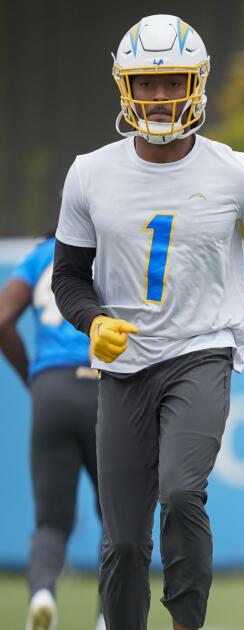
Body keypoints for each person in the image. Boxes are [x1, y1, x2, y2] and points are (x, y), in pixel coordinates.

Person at [50, 15, 244, 630]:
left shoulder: (238, 172)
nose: (157, 96)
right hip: (123, 364)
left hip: (201, 351)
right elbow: (67, 275)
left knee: (181, 493)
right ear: (125, 87)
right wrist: (92, 321)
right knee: (123, 540)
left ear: (197, 82)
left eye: (170, 80)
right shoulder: (89, 173)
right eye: (145, 84)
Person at [0, 235, 106, 630]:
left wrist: (33, 376)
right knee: (118, 518)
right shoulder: (112, 242)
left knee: (51, 521)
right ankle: (107, 615)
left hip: (51, 390)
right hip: (103, 385)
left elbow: (2, 318)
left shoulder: (42, 253)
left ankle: (43, 592)